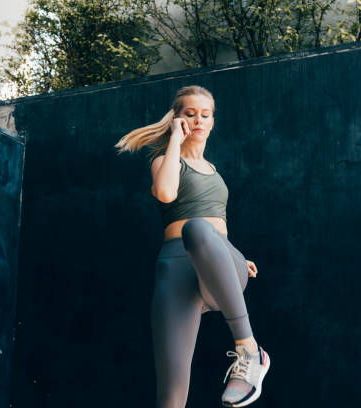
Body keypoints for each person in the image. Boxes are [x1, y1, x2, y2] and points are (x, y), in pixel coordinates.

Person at [114, 85, 270, 408]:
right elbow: (166, 193)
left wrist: (234, 256)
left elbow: (213, 228)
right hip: (175, 269)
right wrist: (174, 138)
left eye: (205, 114)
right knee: (170, 394)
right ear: (177, 119)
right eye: (190, 114)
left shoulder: (214, 171)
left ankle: (250, 350)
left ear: (212, 122)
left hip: (217, 263)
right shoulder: (164, 161)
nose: (198, 120)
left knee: (198, 228)